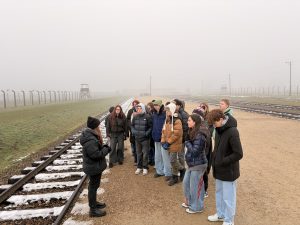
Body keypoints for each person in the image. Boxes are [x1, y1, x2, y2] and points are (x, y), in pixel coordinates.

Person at [207, 109, 243, 225]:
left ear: (221, 119)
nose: (214, 126)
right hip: (219, 169)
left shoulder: (233, 132)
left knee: (228, 198)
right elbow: (217, 149)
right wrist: (214, 160)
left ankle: (229, 221)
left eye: (215, 123)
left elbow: (238, 153)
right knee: (219, 194)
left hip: (229, 171)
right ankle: (221, 214)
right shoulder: (218, 130)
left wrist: (222, 161)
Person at [80, 116, 112, 217]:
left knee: (94, 186)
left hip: (94, 167)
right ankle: (92, 210)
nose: (99, 127)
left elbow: (96, 150)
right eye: (98, 125)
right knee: (93, 187)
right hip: (93, 167)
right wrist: (106, 149)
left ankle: (94, 203)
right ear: (94, 127)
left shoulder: (91, 136)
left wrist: (103, 147)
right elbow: (96, 155)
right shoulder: (90, 140)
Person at [182, 114, 208, 214]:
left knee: (196, 186)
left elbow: (195, 151)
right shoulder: (192, 131)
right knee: (186, 183)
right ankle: (189, 202)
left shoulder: (200, 135)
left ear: (195, 122)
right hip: (191, 164)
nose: (187, 122)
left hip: (198, 164)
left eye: (189, 120)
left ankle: (197, 207)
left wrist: (187, 142)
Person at [161, 102, 184, 186]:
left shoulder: (177, 120)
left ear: (173, 110)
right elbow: (163, 131)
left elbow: (177, 134)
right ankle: (175, 176)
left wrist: (168, 142)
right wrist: (163, 141)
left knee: (172, 160)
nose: (167, 112)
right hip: (168, 143)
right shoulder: (167, 119)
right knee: (172, 161)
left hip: (175, 144)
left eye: (168, 110)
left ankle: (181, 170)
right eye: (166, 111)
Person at [152, 100, 172, 180]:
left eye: (157, 105)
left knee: (165, 157)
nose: (155, 106)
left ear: (160, 105)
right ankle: (159, 171)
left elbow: (167, 126)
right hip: (156, 138)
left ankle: (167, 173)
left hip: (163, 138)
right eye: (154, 105)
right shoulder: (154, 114)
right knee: (157, 156)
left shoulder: (164, 114)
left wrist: (166, 137)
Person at [131, 103, 152, 175]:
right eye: (137, 109)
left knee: (145, 154)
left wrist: (146, 134)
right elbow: (132, 126)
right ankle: (139, 167)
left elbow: (150, 127)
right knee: (138, 153)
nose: (138, 110)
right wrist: (134, 132)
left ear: (143, 109)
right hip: (137, 139)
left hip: (145, 139)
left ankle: (145, 167)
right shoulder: (135, 117)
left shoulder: (147, 117)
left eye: (140, 108)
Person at [172, 99, 189, 181]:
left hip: (181, 140)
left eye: (175, 104)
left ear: (179, 105)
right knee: (174, 158)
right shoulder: (174, 113)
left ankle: (183, 173)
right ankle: (176, 174)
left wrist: (182, 140)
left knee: (181, 156)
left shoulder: (184, 114)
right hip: (174, 140)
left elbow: (186, 129)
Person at [127, 100, 140, 164]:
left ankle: (139, 159)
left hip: (139, 131)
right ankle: (135, 158)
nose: (135, 105)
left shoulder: (140, 111)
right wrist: (130, 127)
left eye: (136, 104)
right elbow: (128, 119)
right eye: (134, 104)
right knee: (133, 144)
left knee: (138, 146)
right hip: (132, 131)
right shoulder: (130, 111)